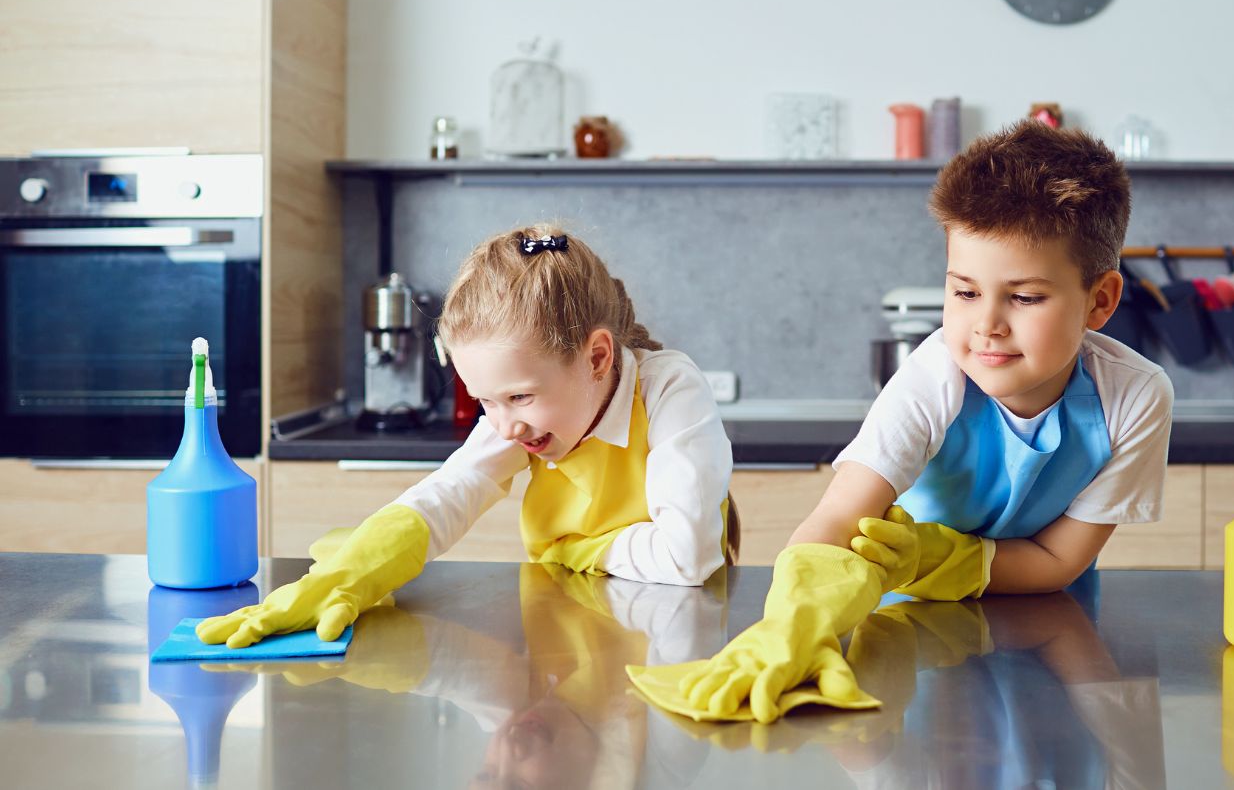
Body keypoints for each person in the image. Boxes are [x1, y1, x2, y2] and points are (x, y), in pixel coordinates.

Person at [629, 120, 1172, 722]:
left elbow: (1058, 563)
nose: (985, 324)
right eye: (965, 292)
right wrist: (791, 626)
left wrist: (935, 555)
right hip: (904, 632)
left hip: (1048, 635)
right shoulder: (934, 377)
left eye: (1023, 297)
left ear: (1100, 300)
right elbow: (837, 518)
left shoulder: (1136, 398)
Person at [199, 225, 735, 649]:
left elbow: (686, 558)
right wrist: (355, 571)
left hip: (674, 640)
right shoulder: (520, 417)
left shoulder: (667, 388)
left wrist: (576, 549)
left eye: (520, 397)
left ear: (597, 357)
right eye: (485, 401)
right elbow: (449, 492)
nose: (503, 426)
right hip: (571, 633)